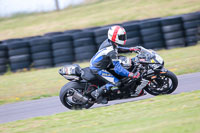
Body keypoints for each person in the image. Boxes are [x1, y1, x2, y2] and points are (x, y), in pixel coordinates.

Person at [90, 25, 143, 104]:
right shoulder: (111, 50)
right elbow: (118, 69)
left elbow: (118, 49)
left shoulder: (109, 42)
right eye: (121, 37)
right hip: (98, 69)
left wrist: (131, 49)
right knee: (117, 83)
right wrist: (131, 75)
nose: (123, 38)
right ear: (114, 37)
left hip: (101, 63)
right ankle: (97, 94)